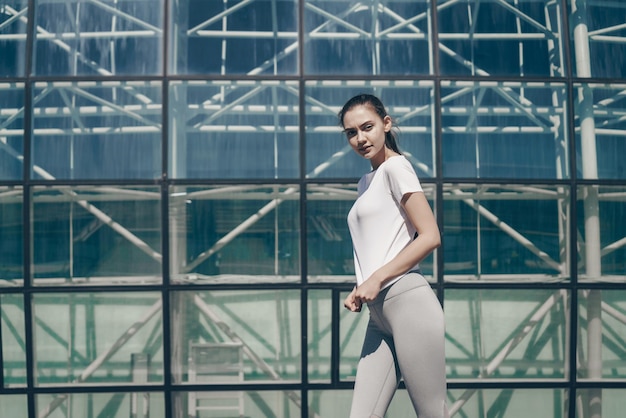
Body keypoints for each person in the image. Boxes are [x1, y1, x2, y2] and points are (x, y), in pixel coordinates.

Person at [339, 94, 449, 418]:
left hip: (408, 303)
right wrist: (362, 286)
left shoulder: (397, 167)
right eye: (351, 132)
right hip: (378, 313)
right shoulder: (365, 182)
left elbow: (430, 235)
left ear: (386, 124)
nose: (360, 138)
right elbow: (383, 242)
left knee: (432, 414)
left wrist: (376, 278)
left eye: (367, 127)